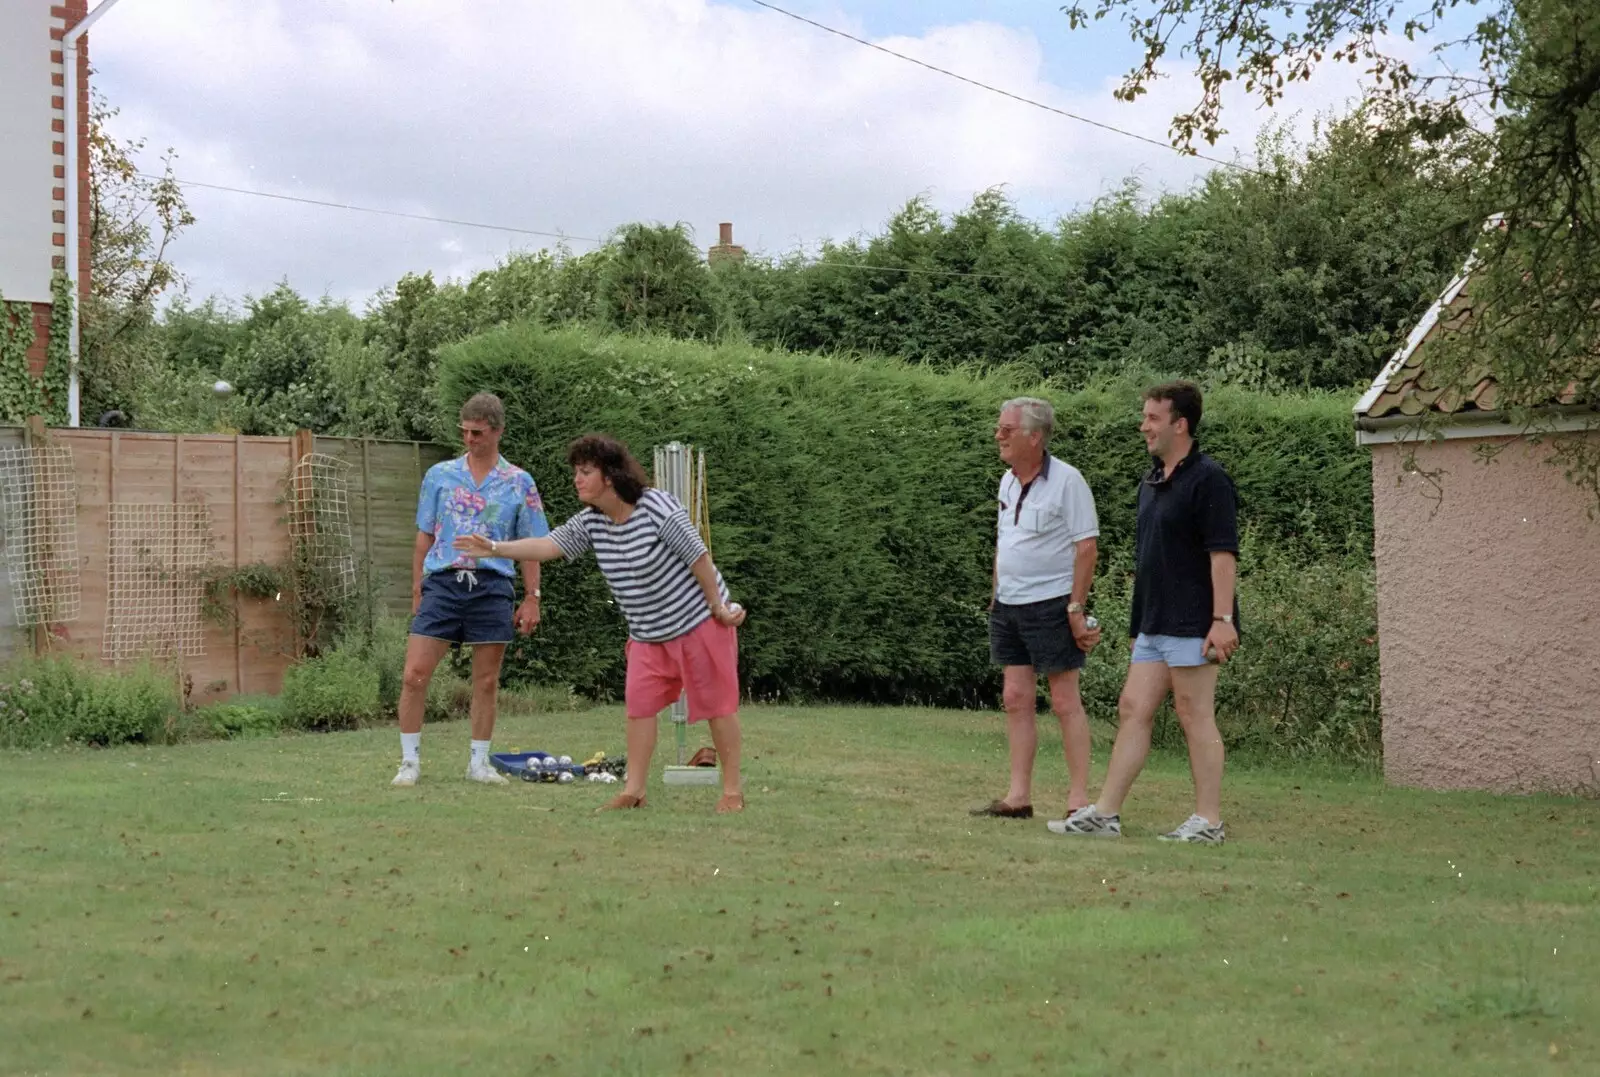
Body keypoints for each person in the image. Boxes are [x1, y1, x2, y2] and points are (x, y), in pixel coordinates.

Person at [453, 434, 749, 813]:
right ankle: (635, 791)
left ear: (609, 476)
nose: (577, 479)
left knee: (717, 707)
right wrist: (495, 548)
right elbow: (549, 546)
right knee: (639, 708)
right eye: (576, 471)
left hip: (698, 621)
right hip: (646, 633)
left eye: (585, 472)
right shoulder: (592, 521)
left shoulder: (655, 506)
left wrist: (718, 608)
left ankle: (731, 791)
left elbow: (699, 559)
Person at [1050, 381, 1239, 843]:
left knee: (1195, 715)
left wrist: (1222, 621)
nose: (1144, 426)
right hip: (1155, 624)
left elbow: (1223, 556)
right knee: (1133, 708)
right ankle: (1106, 815)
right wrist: (1139, 624)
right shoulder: (1152, 481)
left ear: (1181, 424)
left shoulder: (1209, 479)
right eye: (1145, 417)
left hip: (1196, 622)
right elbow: (1148, 558)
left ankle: (1209, 822)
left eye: (1153, 418)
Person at [391, 392, 548, 788]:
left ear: (498, 431)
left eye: (477, 432)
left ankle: (478, 763)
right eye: (464, 432)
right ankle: (409, 762)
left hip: (492, 586)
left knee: (486, 681)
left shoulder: (519, 483)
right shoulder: (440, 476)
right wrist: (417, 589)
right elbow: (424, 536)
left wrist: (532, 597)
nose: (469, 439)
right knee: (414, 675)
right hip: (443, 582)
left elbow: (532, 545)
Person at [972, 397, 1102, 821]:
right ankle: (1018, 796)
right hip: (1008, 604)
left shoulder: (1069, 481)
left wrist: (1075, 608)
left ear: (1034, 435)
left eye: (1006, 430)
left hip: (1051, 604)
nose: (998, 436)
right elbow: (1003, 540)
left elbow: (1086, 548)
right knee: (1014, 696)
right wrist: (996, 591)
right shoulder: (1006, 482)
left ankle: (1079, 799)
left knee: (1065, 701)